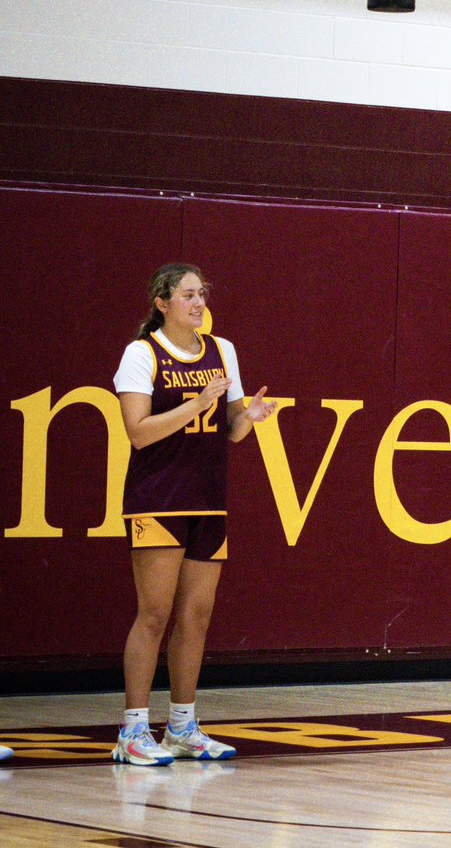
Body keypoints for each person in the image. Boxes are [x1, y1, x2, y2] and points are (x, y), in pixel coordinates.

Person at [111, 263, 277, 766]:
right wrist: (196, 403)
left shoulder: (222, 350)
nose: (199, 302)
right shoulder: (142, 354)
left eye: (202, 293)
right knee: (154, 613)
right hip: (158, 497)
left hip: (208, 497)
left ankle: (182, 726)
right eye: (187, 295)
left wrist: (247, 417)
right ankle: (133, 731)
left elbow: (229, 429)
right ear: (162, 303)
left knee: (196, 616)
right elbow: (139, 432)